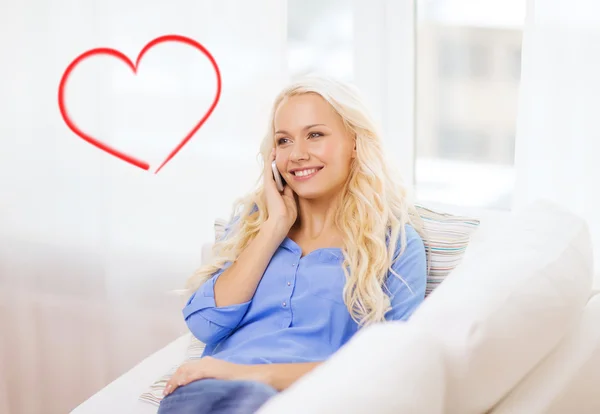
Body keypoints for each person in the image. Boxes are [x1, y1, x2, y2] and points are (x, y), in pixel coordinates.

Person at [158, 75, 428, 414]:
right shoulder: (251, 225)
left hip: (309, 400)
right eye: (284, 140)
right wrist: (273, 228)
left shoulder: (394, 244)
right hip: (210, 396)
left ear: (355, 142)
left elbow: (389, 366)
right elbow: (205, 323)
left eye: (315, 135)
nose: (297, 154)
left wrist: (252, 375)